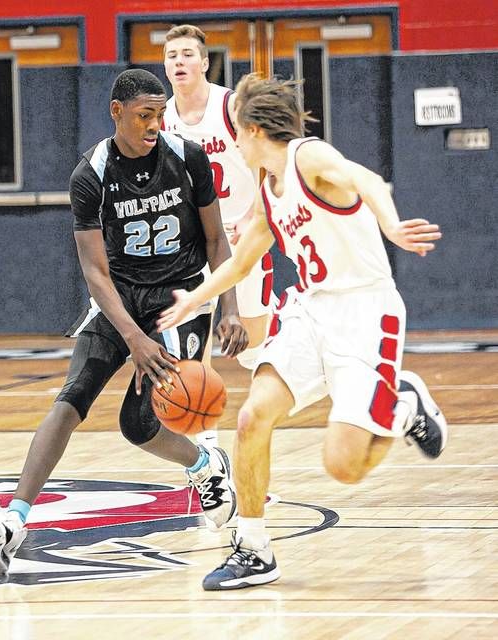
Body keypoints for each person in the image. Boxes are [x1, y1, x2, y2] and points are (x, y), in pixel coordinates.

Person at [157, 73, 448, 591]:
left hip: (364, 315)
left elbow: (367, 180)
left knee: (344, 468)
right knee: (251, 417)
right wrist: (192, 302)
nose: (231, 143)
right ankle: (253, 549)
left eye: (235, 133)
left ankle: (402, 405)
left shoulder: (305, 157)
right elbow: (240, 264)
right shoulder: (268, 192)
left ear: (251, 130)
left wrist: (392, 225)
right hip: (309, 313)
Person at [0, 69, 248, 574]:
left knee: (137, 425)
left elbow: (215, 239)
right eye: (145, 114)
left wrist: (229, 306)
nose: (155, 124)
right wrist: (134, 338)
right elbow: (95, 272)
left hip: (180, 298)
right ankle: (13, 521)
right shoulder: (91, 174)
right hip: (117, 296)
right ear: (117, 112)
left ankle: (205, 466)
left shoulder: (188, 157)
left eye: (161, 114)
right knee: (73, 396)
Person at [163, 25, 273, 448]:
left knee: (252, 347)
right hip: (194, 247)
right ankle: (208, 453)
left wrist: (254, 213)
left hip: (241, 239)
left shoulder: (230, 106)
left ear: (205, 62)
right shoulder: (163, 117)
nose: (179, 62)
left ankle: (261, 427)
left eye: (188, 54)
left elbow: (277, 158)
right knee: (195, 352)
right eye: (172, 55)